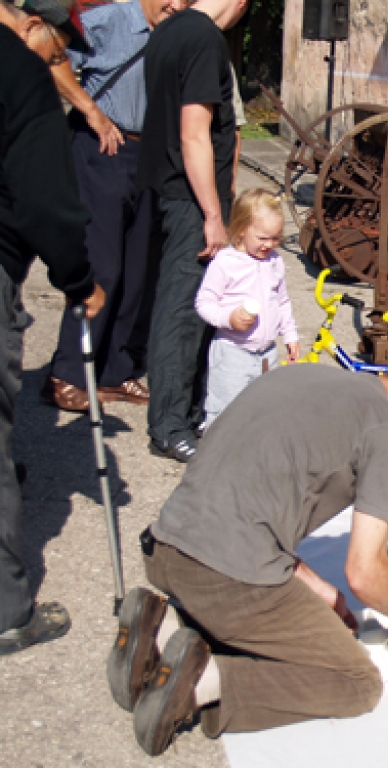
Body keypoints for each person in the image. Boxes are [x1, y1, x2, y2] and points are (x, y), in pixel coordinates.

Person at [105, 357, 388, 756]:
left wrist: (318, 588)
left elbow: (250, 502)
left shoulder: (305, 374)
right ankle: (201, 681)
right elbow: (365, 572)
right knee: (357, 681)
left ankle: (164, 627)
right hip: (220, 576)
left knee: (259, 593)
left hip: (167, 548)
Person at [0, 0, 105, 655]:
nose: (58, 60)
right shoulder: (18, 71)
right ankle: (8, 610)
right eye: (59, 46)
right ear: (25, 19)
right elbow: (47, 199)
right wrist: (77, 279)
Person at [41, 0, 182, 413]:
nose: (176, 4)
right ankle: (65, 374)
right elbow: (49, 56)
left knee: (138, 269)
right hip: (104, 147)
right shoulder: (110, 20)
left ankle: (113, 373)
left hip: (147, 154)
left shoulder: (175, 29)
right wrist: (91, 111)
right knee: (102, 265)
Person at [137, 0, 248, 463]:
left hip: (168, 189)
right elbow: (194, 133)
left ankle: (189, 411)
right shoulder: (202, 37)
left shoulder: (166, 31)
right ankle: (168, 426)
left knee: (184, 308)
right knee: (182, 313)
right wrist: (212, 214)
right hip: (190, 197)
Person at [195, 189, 299, 425]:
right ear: (241, 229)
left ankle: (252, 456)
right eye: (262, 238)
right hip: (233, 352)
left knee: (262, 411)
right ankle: (219, 456)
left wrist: (290, 335)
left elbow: (282, 301)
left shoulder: (275, 262)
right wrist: (228, 318)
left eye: (275, 238)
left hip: (266, 353)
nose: (269, 244)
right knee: (225, 411)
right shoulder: (225, 262)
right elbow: (204, 302)